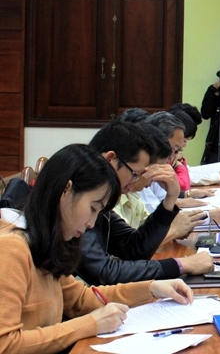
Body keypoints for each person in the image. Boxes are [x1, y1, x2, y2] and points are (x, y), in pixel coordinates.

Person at [0, 144, 193, 353]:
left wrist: (152, 288)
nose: (91, 223)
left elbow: (81, 299)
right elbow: (5, 343)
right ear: (65, 190)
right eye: (93, 208)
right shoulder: (12, 248)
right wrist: (90, 324)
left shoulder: (45, 241)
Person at [78, 120, 214, 285]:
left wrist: (171, 198)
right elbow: (103, 273)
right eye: (135, 174)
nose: (133, 184)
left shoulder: (98, 198)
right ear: (111, 159)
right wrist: (180, 265)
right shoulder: (78, 192)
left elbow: (134, 249)